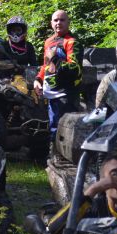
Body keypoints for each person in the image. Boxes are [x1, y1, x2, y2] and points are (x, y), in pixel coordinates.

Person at [34, 10, 83, 138]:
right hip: (51, 93)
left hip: (66, 93)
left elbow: (75, 69)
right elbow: (46, 65)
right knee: (53, 128)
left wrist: (55, 59)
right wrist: (38, 79)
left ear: (68, 22)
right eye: (55, 20)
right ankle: (54, 154)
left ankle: (65, 156)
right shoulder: (48, 42)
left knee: (66, 130)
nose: (58, 23)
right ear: (51, 23)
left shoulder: (72, 42)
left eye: (62, 20)